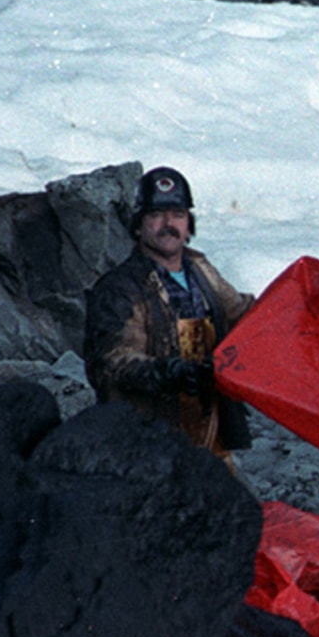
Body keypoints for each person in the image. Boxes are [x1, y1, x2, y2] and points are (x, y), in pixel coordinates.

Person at [85, 166, 253, 460]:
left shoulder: (201, 270)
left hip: (210, 435)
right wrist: (169, 372)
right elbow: (112, 363)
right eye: (156, 215)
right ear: (138, 226)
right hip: (146, 442)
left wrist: (297, 304)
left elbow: (243, 315)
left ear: (189, 227)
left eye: (178, 214)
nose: (168, 224)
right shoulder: (119, 288)